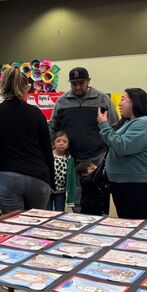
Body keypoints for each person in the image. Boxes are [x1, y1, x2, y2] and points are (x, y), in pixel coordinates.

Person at [0, 67, 53, 215]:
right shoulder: (36, 113)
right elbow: (46, 149)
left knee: (15, 226)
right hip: (38, 178)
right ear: (25, 88)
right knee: (36, 225)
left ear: (2, 86)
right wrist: (52, 180)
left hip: (7, 176)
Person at [49, 67, 115, 215]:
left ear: (88, 82)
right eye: (74, 84)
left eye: (81, 83)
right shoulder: (62, 102)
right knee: (76, 196)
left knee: (99, 192)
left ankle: (101, 220)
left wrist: (109, 150)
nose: (77, 87)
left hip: (97, 157)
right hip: (73, 159)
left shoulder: (102, 99)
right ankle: (80, 221)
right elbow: (53, 128)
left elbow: (114, 125)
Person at [98, 87, 147, 221]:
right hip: (124, 182)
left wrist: (104, 125)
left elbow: (123, 146)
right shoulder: (128, 122)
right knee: (126, 223)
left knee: (137, 224)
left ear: (135, 103)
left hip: (138, 183)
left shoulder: (145, 123)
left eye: (124, 99)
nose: (119, 103)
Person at [48, 131, 78, 212]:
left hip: (61, 192)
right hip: (48, 190)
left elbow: (72, 178)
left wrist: (71, 195)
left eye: (64, 141)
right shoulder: (49, 156)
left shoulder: (69, 159)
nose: (61, 143)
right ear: (53, 143)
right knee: (47, 211)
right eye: (58, 141)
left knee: (59, 211)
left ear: (68, 145)